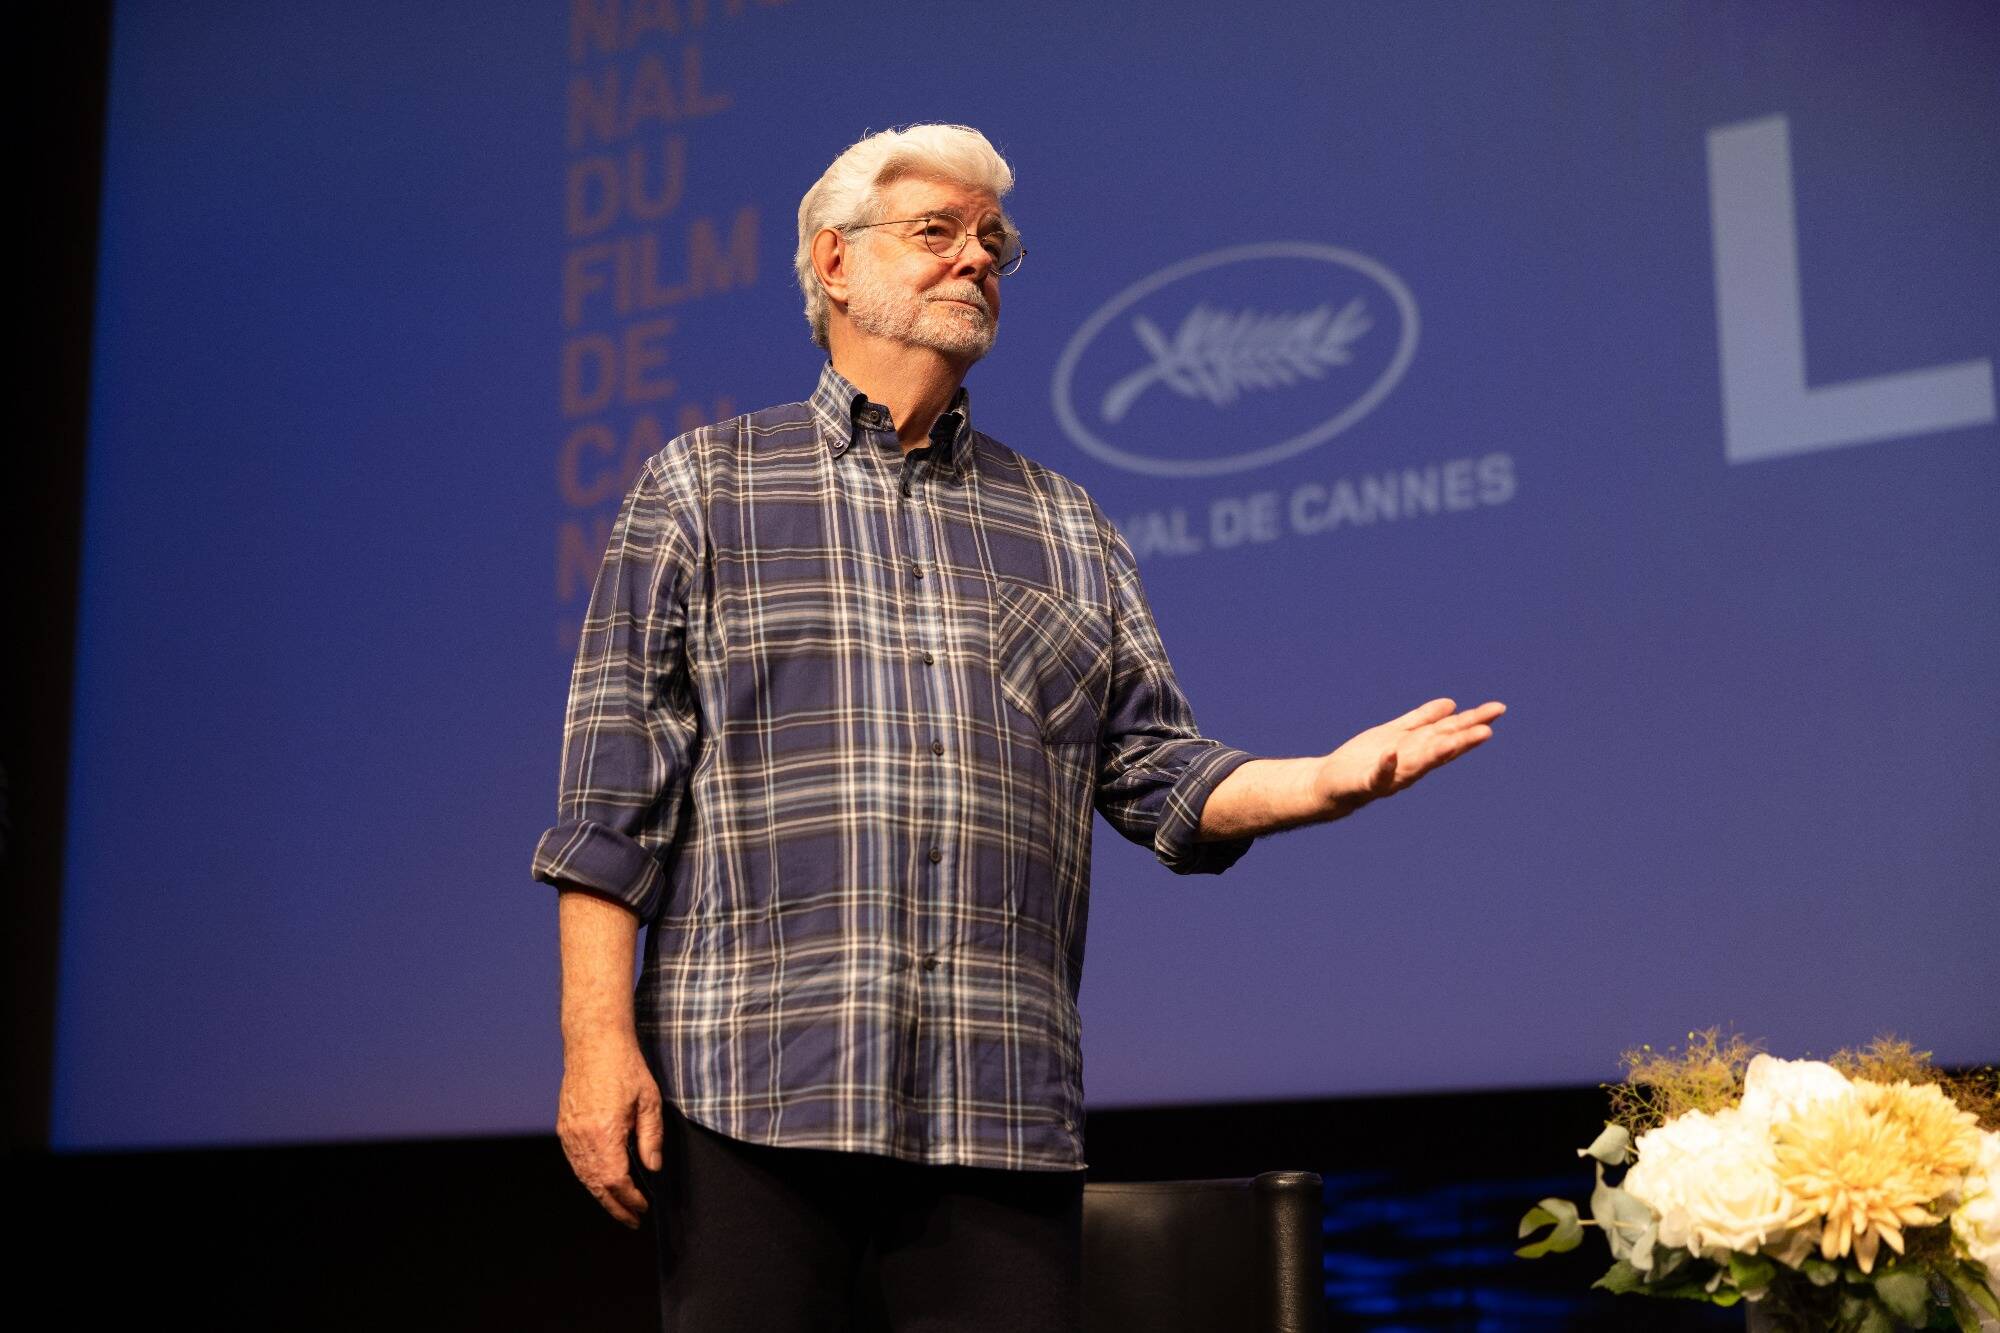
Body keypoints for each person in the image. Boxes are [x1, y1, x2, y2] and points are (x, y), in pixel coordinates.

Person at [532, 123, 1504, 1331]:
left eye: (991, 240)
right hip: (752, 1093)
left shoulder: (1063, 522)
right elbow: (611, 807)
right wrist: (594, 1046)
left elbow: (1154, 770)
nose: (974, 258)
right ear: (832, 264)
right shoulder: (705, 486)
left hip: (994, 1107)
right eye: (935, 232)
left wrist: (1317, 781)